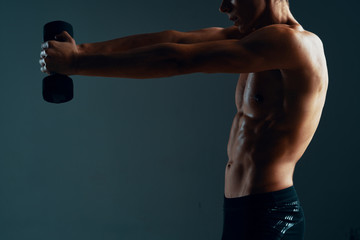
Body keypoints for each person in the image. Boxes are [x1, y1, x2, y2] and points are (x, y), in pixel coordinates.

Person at [39, 0, 328, 239]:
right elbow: (173, 39)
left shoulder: (294, 45)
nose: (224, 6)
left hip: (271, 216)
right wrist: (80, 50)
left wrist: (77, 64)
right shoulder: (253, 36)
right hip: (240, 209)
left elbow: (180, 60)